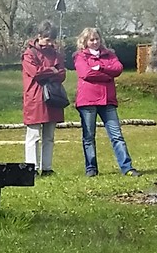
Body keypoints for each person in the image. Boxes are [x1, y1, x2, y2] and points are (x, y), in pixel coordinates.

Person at [74, 26, 139, 177]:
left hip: (107, 100)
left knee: (117, 135)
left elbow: (118, 69)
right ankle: (91, 168)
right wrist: (107, 75)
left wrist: (100, 68)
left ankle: (127, 167)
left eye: (97, 39)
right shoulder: (80, 56)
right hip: (88, 101)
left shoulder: (109, 54)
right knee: (89, 136)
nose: (95, 42)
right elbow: (86, 74)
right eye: (91, 40)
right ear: (85, 41)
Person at [21, 21, 66, 175]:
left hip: (53, 98)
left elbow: (62, 74)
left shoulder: (57, 54)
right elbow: (35, 73)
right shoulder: (29, 54)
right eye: (47, 39)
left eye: (52, 40)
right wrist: (52, 70)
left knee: (49, 136)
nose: (50, 43)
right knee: (33, 135)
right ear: (39, 37)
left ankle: (46, 168)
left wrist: (49, 71)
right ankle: (31, 168)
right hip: (35, 98)